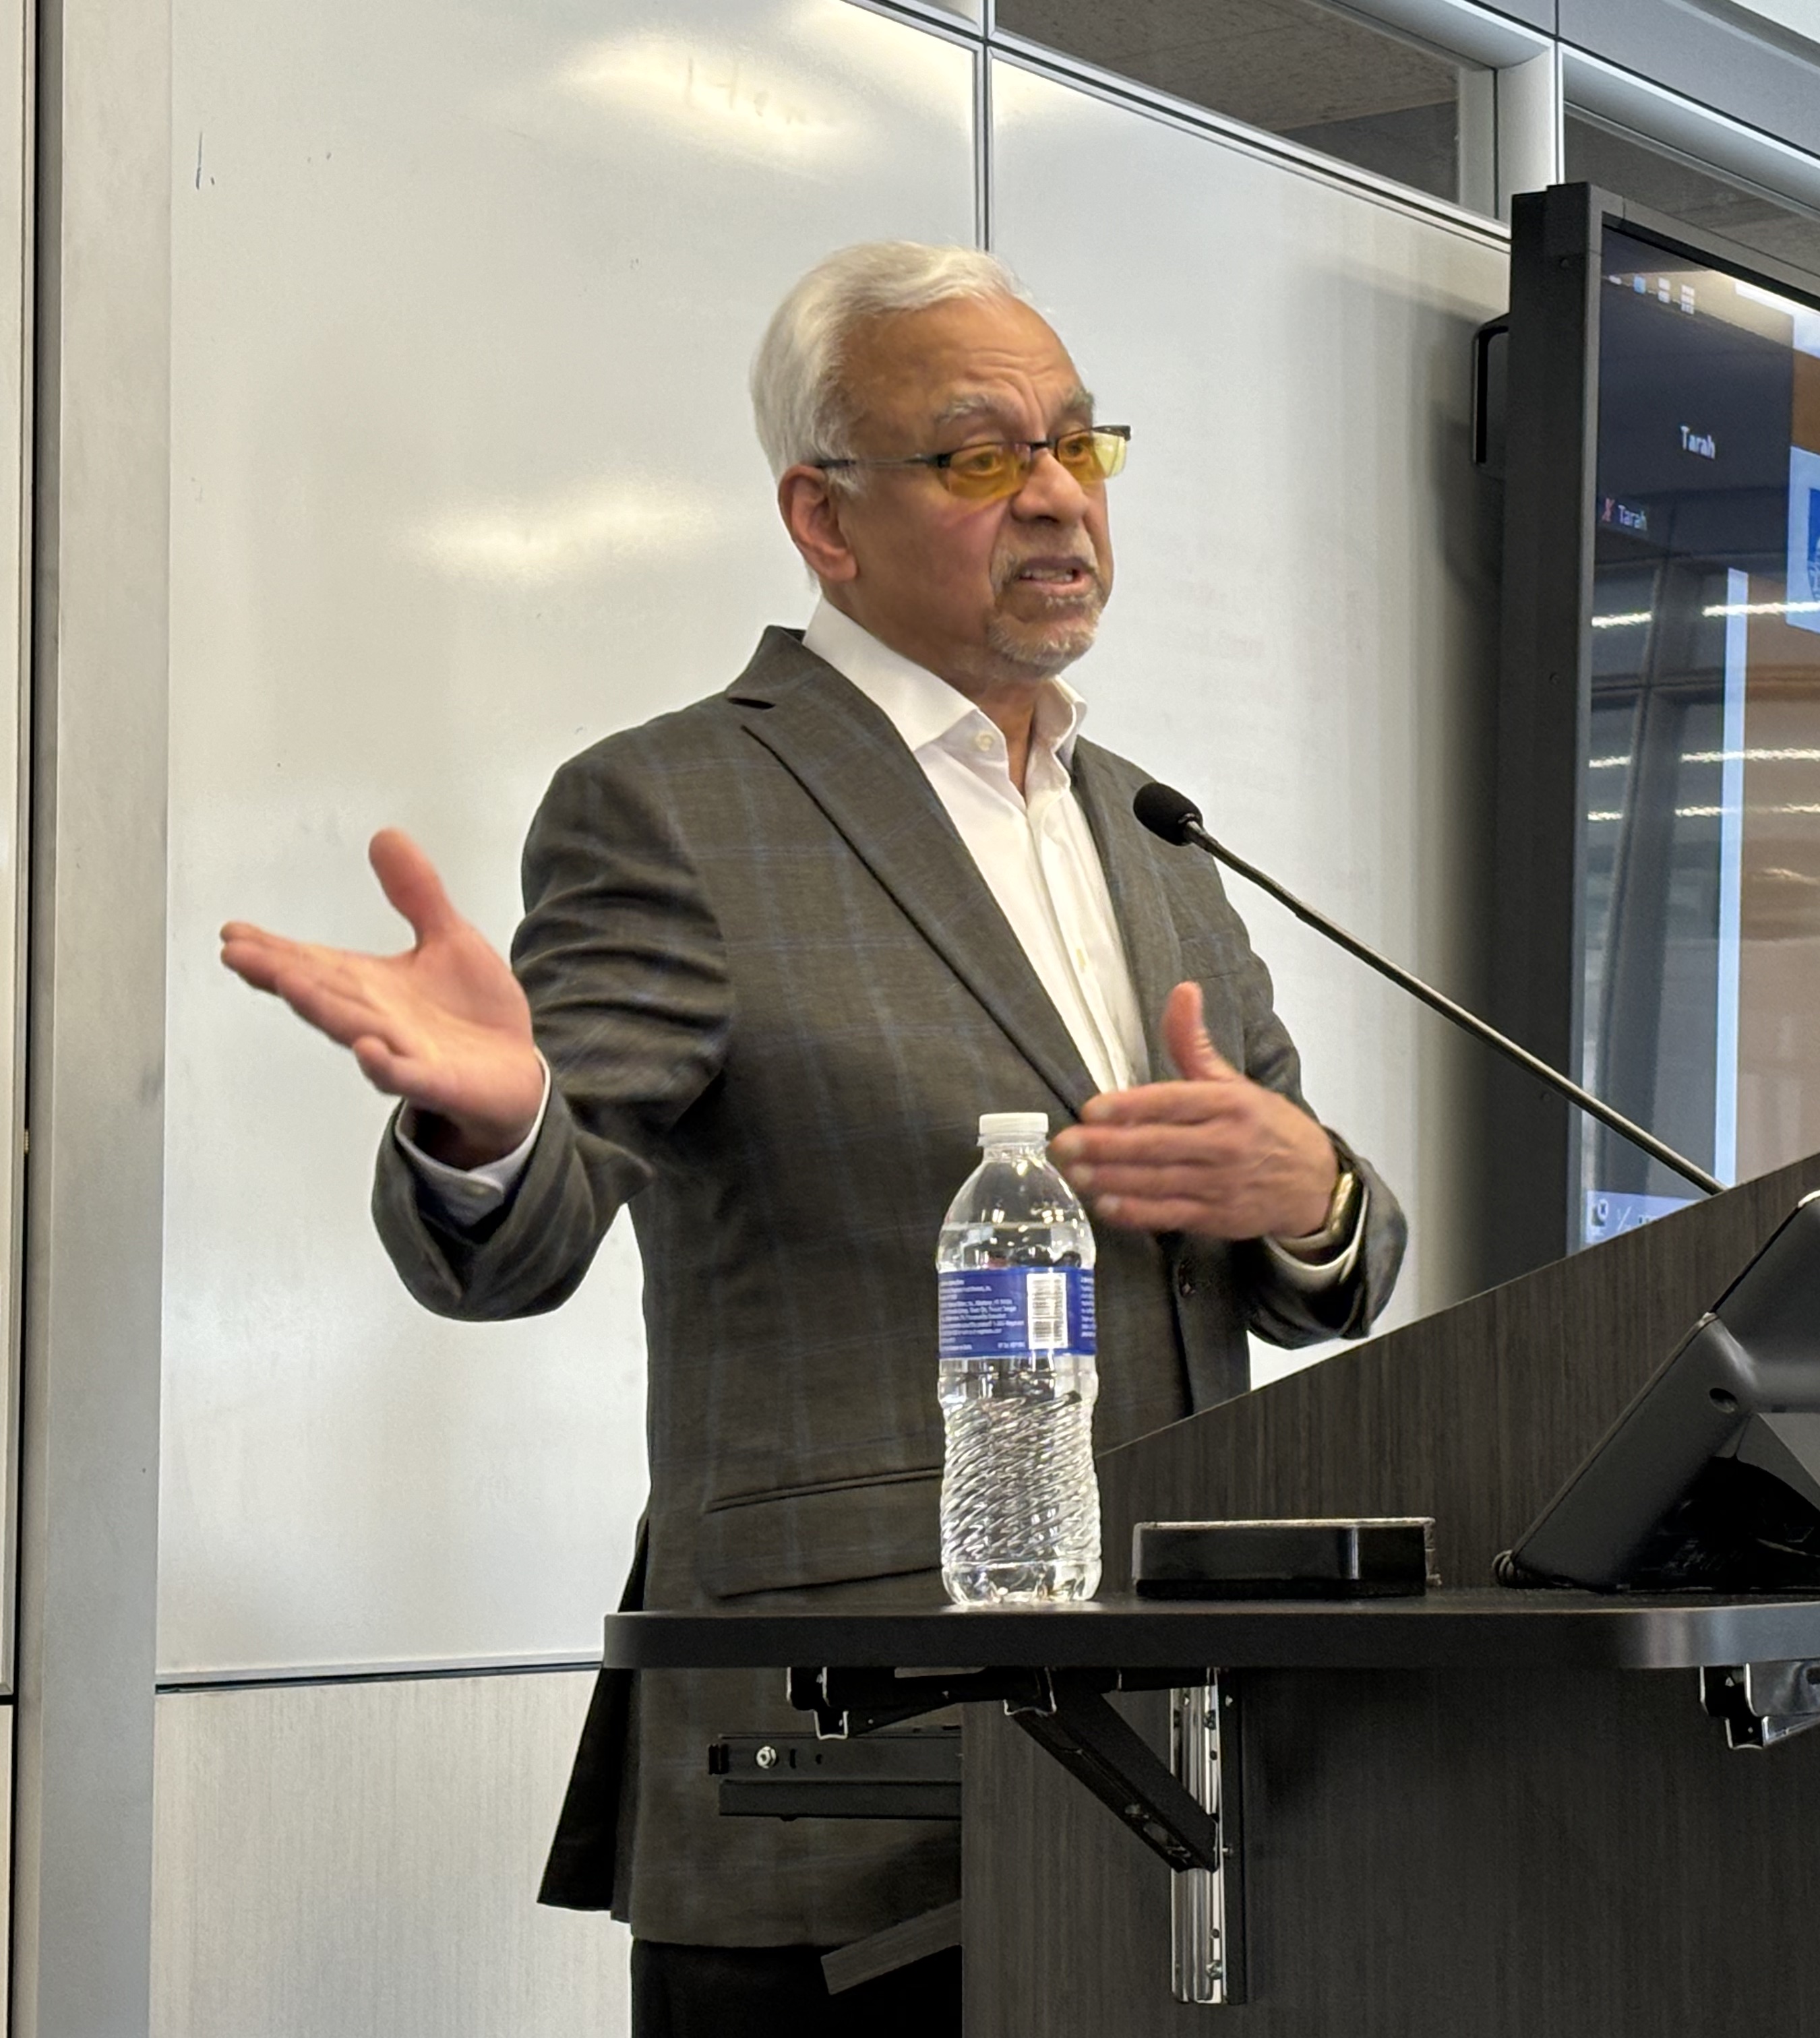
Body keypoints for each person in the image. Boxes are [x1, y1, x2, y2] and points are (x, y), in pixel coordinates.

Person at [218, 240, 1407, 2036]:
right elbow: (526, 1239)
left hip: (1180, 1748)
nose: (1061, 500)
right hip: (845, 1754)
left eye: (1082, 447)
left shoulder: (1153, 833)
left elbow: (1329, 1279)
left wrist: (1309, 1196)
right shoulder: (682, 804)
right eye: (982, 455)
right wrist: (499, 1118)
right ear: (825, 517)